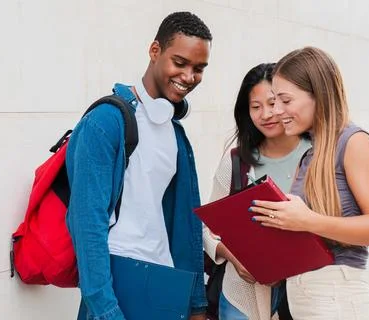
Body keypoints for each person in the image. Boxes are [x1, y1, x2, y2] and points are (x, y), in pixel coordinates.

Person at [65, 12, 212, 320]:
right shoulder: (105, 122)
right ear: (154, 51)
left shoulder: (175, 133)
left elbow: (184, 224)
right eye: (180, 62)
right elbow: (86, 224)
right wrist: (105, 310)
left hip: (163, 282)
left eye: (199, 69)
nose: (189, 76)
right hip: (118, 286)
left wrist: (196, 303)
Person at [250, 47, 369, 320]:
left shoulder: (354, 142)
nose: (277, 111)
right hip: (306, 304)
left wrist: (306, 220)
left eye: (285, 100)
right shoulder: (311, 154)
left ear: (318, 94)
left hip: (340, 303)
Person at [203, 63, 311, 320]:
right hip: (241, 293)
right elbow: (207, 228)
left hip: (302, 293)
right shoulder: (237, 161)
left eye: (273, 103)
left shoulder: (316, 156)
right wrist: (235, 258)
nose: (266, 114)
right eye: (255, 107)